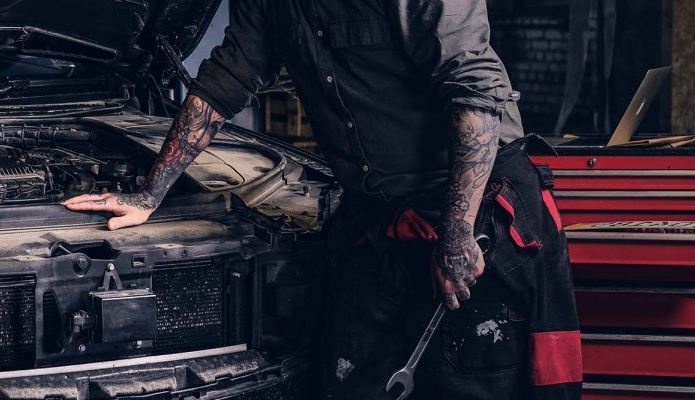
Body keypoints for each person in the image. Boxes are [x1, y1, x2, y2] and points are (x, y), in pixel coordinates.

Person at [63, 1, 580, 399]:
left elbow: (475, 94)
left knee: (472, 380)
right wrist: (149, 194)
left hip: (477, 213)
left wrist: (456, 235)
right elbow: (225, 81)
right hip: (378, 220)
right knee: (349, 377)